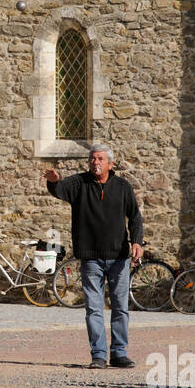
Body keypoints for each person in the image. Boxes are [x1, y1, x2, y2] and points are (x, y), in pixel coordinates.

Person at [43, 145, 144, 369]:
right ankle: (99, 355)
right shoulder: (79, 183)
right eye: (92, 158)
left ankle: (119, 353)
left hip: (118, 258)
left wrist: (137, 241)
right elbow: (59, 189)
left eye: (99, 158)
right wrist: (53, 181)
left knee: (120, 307)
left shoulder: (122, 187)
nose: (94, 162)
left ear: (110, 164)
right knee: (94, 309)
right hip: (91, 258)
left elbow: (135, 217)